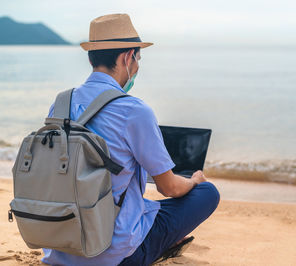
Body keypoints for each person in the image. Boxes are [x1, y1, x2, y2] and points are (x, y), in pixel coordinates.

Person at [41, 13, 220, 266]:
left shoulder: (60, 104)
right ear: (128, 57)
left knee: (131, 197)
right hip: (115, 256)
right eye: (138, 59)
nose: (136, 67)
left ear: (92, 57)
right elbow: (169, 188)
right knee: (207, 193)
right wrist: (193, 181)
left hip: (59, 248)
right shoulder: (134, 110)